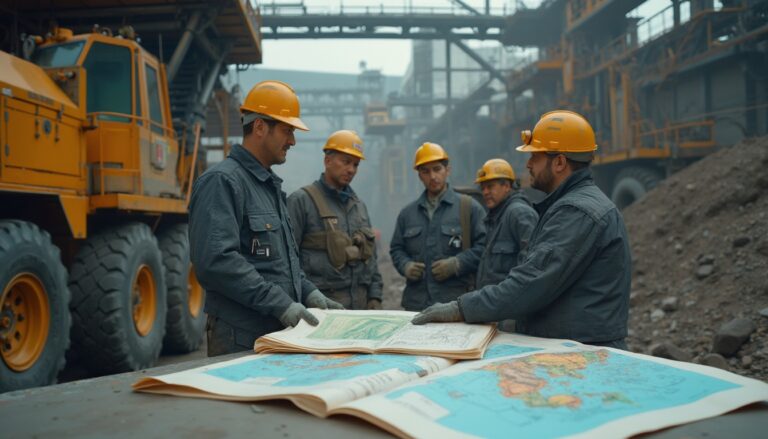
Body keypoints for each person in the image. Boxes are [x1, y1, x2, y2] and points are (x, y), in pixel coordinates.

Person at [412, 110, 631, 349]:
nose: (527, 164)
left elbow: (529, 285)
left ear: (559, 162)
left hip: (583, 356)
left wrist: (460, 308)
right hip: (575, 349)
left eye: (534, 157)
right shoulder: (573, 206)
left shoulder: (577, 212)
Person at [189, 80, 343, 357]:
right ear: (260, 127)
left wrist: (309, 293)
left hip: (275, 333)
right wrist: (281, 304)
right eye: (287, 131)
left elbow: (279, 263)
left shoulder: (269, 187)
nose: (293, 141)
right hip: (241, 337)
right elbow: (216, 261)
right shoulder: (222, 182)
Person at [287, 130, 384, 310]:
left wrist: (375, 297)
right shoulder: (301, 202)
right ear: (327, 160)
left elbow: (372, 260)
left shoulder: (359, 206)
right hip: (322, 312)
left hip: (360, 310)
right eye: (346, 162)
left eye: (355, 164)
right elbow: (287, 261)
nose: (351, 170)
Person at [389, 142, 486, 311]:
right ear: (419, 175)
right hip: (416, 305)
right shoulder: (407, 214)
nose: (432, 176)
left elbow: (485, 247)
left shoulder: (468, 208)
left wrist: (457, 263)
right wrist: (406, 266)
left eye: (437, 169)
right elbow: (396, 248)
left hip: (455, 305)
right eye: (425, 171)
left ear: (447, 170)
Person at [474, 158, 538, 289]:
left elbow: (531, 268)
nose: (485, 192)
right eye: (483, 187)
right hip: (495, 304)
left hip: (511, 305)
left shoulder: (519, 213)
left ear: (507, 186)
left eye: (490, 186)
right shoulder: (496, 217)